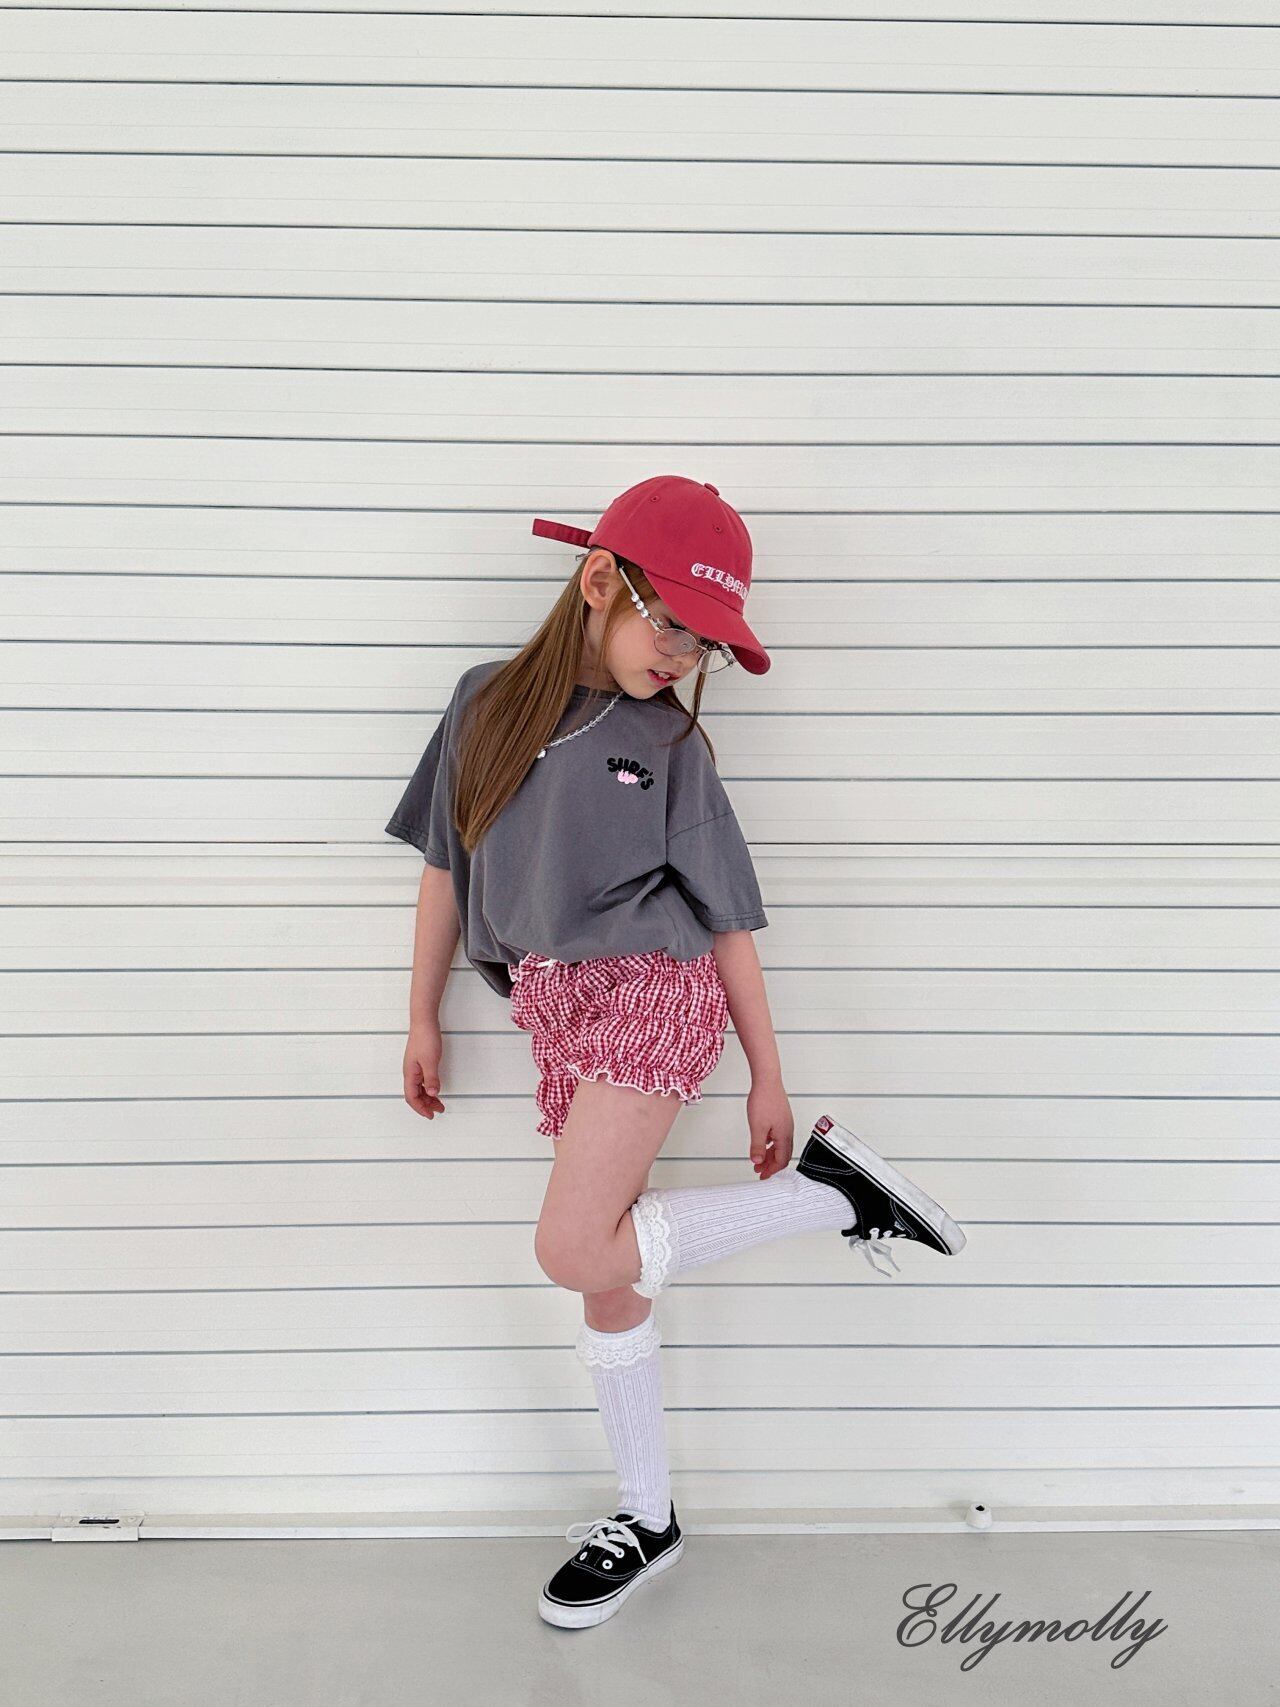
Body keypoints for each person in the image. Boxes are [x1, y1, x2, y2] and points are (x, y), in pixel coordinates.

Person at [384, 473, 967, 1631]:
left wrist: (768, 1075)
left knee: (568, 1249)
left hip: (652, 993)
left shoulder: (668, 745)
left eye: (705, 645)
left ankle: (831, 1194)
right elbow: (445, 867)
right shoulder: (481, 702)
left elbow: (727, 920)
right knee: (608, 1277)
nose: (686, 658)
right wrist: (420, 1014)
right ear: (601, 581)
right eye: (676, 629)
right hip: (554, 1012)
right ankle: (645, 1517)